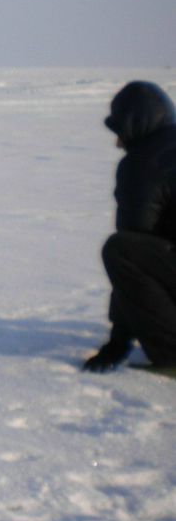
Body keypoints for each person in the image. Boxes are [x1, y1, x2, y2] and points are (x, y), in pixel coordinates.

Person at [84, 81, 176, 372]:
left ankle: (171, 353)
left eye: (120, 131)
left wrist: (118, 341)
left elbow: (131, 253)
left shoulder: (144, 163)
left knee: (121, 250)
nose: (118, 142)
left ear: (136, 124)